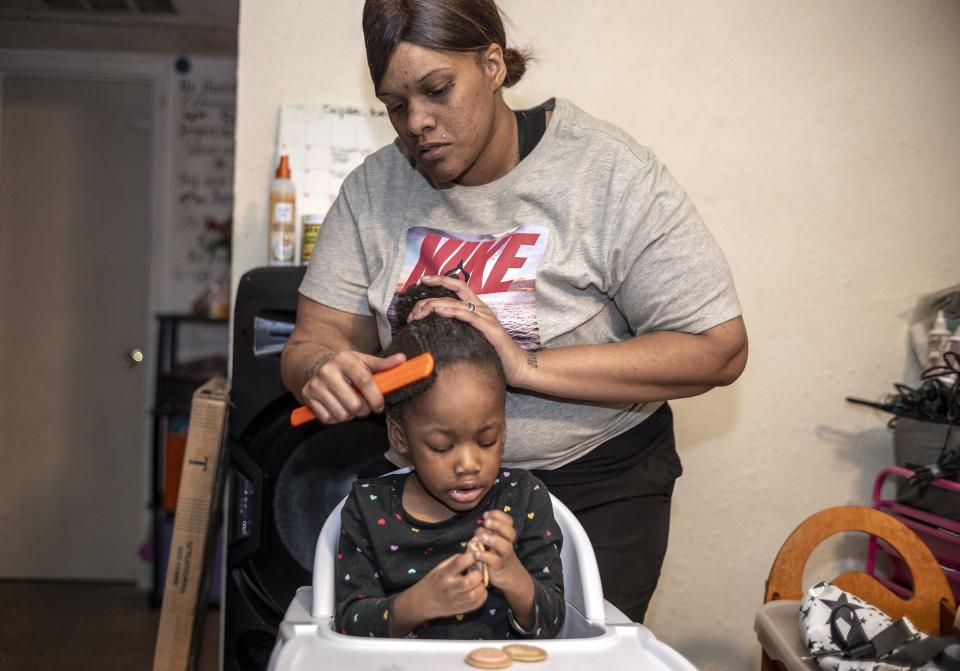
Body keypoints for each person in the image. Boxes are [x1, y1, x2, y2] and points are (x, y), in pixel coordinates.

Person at [281, 0, 748, 623]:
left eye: (437, 89)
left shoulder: (606, 173)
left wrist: (525, 366)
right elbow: (310, 343)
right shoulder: (372, 190)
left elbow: (718, 347)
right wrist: (322, 368)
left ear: (493, 63)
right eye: (395, 105)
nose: (416, 122)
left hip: (595, 488)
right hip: (423, 495)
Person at [334, 283, 565, 639]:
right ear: (401, 438)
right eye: (442, 446)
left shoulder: (522, 498)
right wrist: (417, 604)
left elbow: (554, 624)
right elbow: (349, 623)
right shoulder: (369, 507)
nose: (469, 463)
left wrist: (514, 577)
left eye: (487, 440)